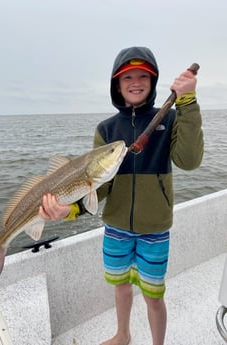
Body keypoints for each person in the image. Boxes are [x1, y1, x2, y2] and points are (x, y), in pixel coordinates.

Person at [39, 46, 204, 345]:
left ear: (153, 82)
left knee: (154, 296)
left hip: (154, 228)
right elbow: (96, 186)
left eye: (143, 75)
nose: (135, 82)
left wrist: (189, 102)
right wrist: (70, 211)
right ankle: (123, 334)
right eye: (127, 77)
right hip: (115, 228)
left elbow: (189, 161)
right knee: (120, 286)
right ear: (117, 84)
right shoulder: (105, 129)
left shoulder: (170, 120)